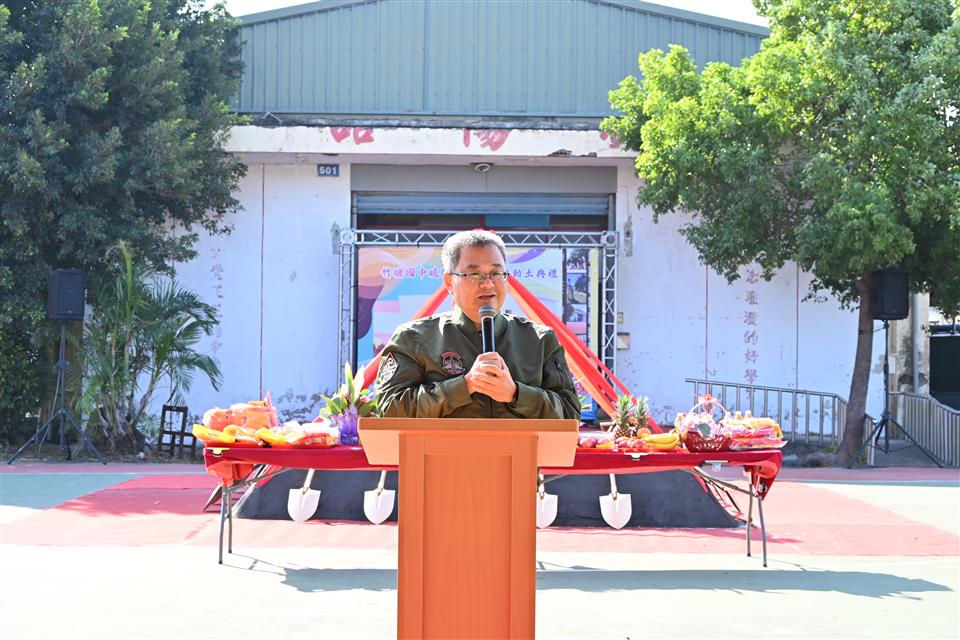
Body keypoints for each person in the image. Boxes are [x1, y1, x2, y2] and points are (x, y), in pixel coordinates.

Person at [375, 229, 581, 420]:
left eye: (496, 273)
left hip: (521, 450)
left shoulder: (539, 339)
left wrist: (516, 394)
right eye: (474, 274)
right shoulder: (414, 338)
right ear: (449, 282)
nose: (488, 283)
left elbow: (569, 413)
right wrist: (464, 386)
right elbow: (390, 408)